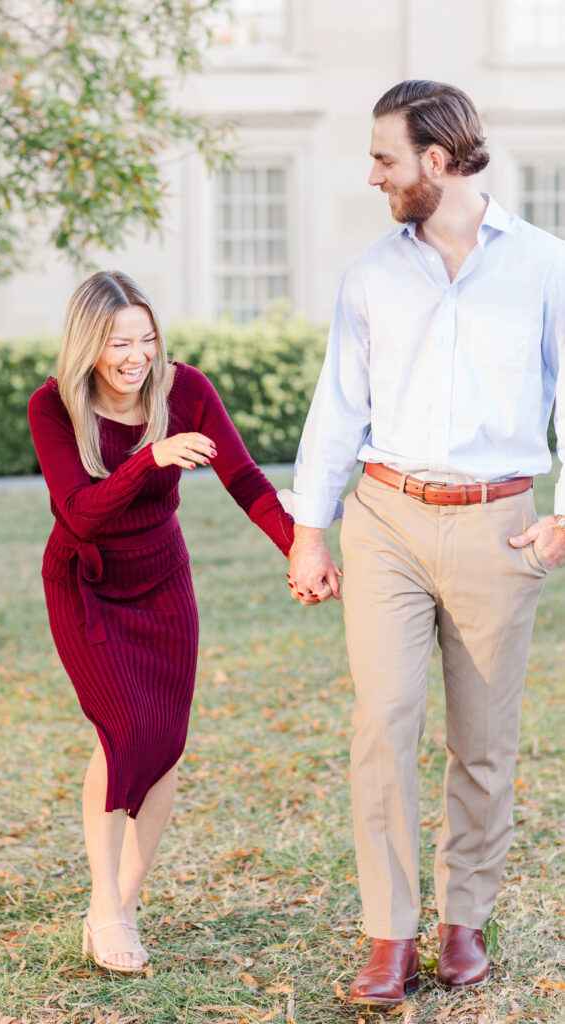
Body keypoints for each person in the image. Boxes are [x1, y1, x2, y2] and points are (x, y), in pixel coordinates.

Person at [282, 80, 565, 1004]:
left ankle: (461, 923)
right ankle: (389, 936)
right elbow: (339, 405)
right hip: (388, 519)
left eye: (384, 159)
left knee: (481, 743)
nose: (372, 175)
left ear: (434, 164)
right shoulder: (370, 273)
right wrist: (308, 531)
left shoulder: (542, 267)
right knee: (383, 724)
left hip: (500, 524)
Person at [28, 270, 294, 975]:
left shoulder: (186, 389)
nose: (136, 356)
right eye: (119, 342)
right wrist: (150, 458)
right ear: (89, 344)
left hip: (162, 579)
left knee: (166, 743)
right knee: (125, 730)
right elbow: (79, 510)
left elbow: (246, 481)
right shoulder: (53, 406)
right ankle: (105, 905)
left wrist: (301, 548)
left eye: (146, 339)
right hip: (86, 583)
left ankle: (116, 909)